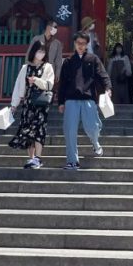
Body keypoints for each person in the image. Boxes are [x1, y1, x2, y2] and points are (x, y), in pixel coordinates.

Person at [57, 31, 111, 169]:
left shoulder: (93, 59)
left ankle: (95, 142)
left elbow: (103, 75)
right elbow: (62, 83)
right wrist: (61, 102)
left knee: (93, 127)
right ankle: (72, 161)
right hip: (70, 99)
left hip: (88, 98)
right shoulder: (68, 62)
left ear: (87, 44)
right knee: (70, 130)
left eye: (83, 43)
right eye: (78, 43)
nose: (80, 46)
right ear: (74, 44)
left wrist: (107, 88)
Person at [8, 41, 56, 168]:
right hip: (28, 103)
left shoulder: (48, 67)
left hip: (41, 103)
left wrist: (36, 80)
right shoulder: (26, 68)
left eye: (43, 51)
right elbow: (19, 87)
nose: (41, 53)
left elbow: (49, 85)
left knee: (39, 129)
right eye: (39, 50)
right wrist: (14, 104)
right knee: (28, 130)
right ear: (33, 52)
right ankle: (31, 158)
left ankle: (38, 158)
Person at [31, 20, 64, 94]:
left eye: (56, 28)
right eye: (53, 27)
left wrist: (58, 73)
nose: (54, 30)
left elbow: (58, 59)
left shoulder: (57, 43)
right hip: (37, 67)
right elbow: (30, 54)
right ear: (48, 27)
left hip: (50, 69)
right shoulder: (36, 39)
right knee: (35, 87)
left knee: (48, 90)